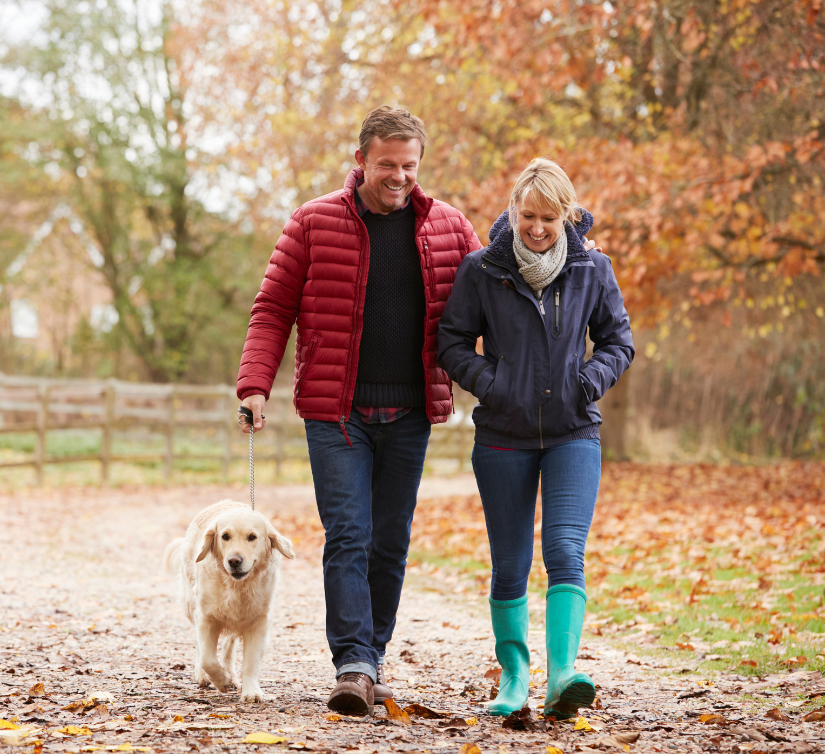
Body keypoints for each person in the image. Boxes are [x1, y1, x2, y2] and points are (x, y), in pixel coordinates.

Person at [236, 106, 481, 715]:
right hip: (335, 412)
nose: (398, 177)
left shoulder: (449, 229)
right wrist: (254, 385)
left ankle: (370, 657)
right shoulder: (313, 223)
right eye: (387, 165)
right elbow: (272, 309)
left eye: (409, 166)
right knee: (349, 534)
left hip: (410, 414)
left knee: (390, 541)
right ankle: (352, 662)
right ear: (360, 160)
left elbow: (494, 296)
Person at [437, 158, 634, 720]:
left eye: (549, 217)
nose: (538, 228)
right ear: (513, 212)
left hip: (574, 432)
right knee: (510, 562)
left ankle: (563, 673)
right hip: (503, 436)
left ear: (567, 215)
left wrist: (587, 381)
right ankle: (515, 675)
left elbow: (618, 342)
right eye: (528, 216)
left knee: (566, 550)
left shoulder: (593, 269)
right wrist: (492, 385)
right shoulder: (483, 270)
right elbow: (451, 343)